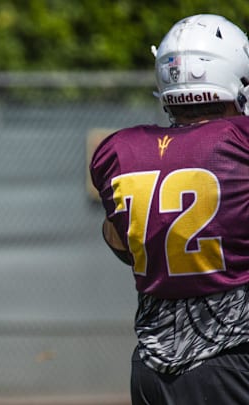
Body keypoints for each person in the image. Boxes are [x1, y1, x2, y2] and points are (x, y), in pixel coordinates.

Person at [90, 14, 249, 404]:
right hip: (232, 359)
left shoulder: (120, 151)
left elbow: (120, 242)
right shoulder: (240, 144)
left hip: (151, 368)